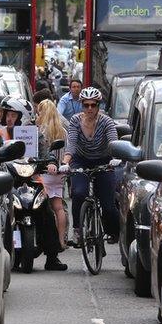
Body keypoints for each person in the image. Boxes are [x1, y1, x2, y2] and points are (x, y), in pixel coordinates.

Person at [1, 97, 67, 271]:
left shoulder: (35, 134)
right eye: (7, 114)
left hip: (32, 180)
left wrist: (51, 162)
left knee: (46, 212)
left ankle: (52, 257)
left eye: (13, 115)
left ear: (21, 116)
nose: (9, 118)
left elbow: (46, 151)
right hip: (8, 181)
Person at [59, 87, 119, 246]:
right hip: (80, 160)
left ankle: (112, 231)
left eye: (93, 105)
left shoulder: (106, 121)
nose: (90, 109)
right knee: (79, 193)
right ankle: (78, 229)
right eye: (86, 105)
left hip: (104, 161)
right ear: (82, 105)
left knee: (108, 204)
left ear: (99, 106)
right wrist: (65, 162)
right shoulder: (75, 121)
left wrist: (116, 158)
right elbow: (71, 143)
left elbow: (113, 142)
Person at [37, 100, 69, 250]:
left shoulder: (41, 131)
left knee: (44, 209)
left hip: (46, 173)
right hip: (60, 173)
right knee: (58, 207)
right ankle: (61, 241)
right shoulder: (63, 131)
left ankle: (46, 242)